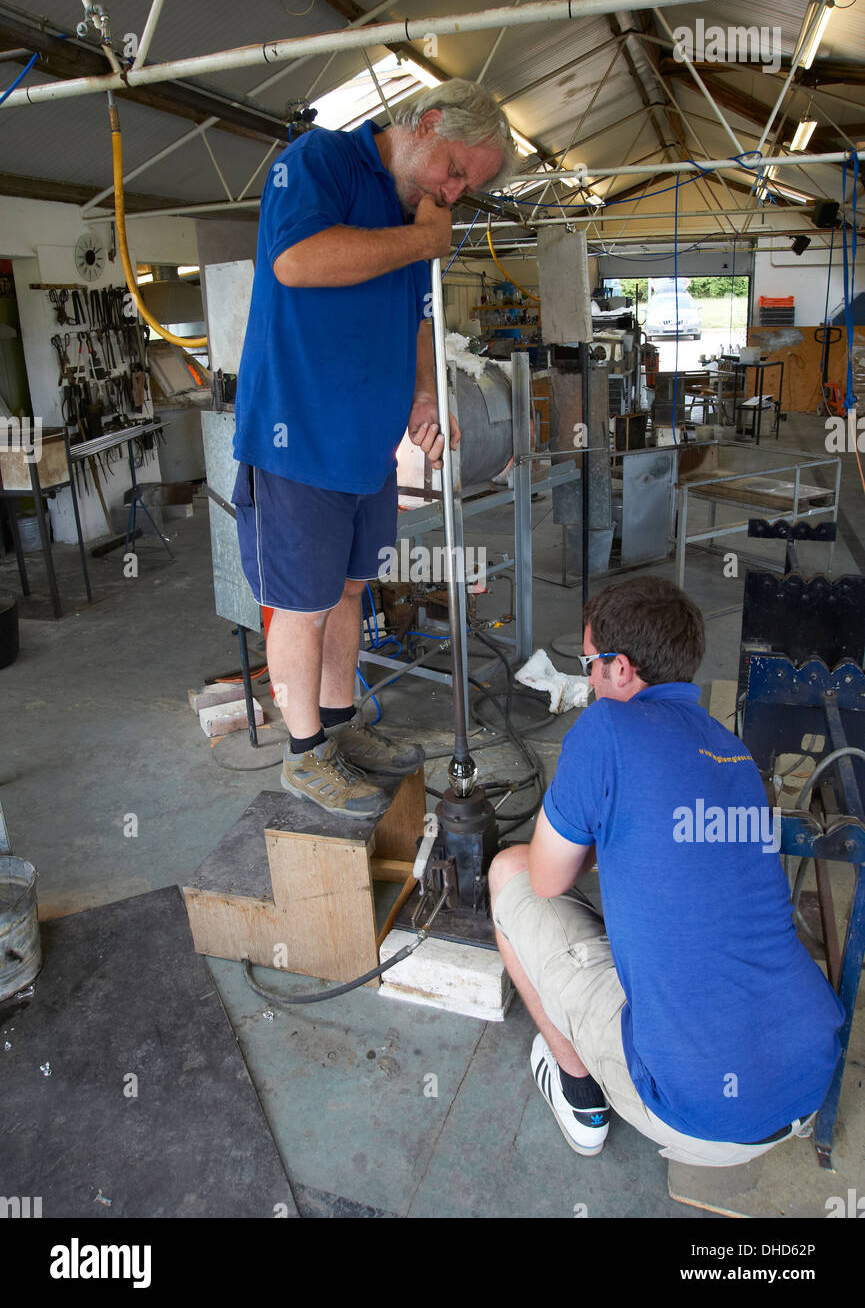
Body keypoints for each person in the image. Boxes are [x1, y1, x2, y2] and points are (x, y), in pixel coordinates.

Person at [488, 576, 845, 1165]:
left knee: (509, 873)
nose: (590, 680)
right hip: (805, 1082)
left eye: (590, 665)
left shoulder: (605, 728)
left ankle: (581, 1097)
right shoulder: (733, 754)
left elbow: (548, 880)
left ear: (620, 669)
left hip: (698, 1117)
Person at [231, 80, 515, 818]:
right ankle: (303, 757)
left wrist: (426, 393)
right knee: (301, 604)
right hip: (297, 436)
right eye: (454, 168)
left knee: (351, 591)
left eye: (466, 187)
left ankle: (338, 726)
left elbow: (420, 321)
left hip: (367, 445)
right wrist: (426, 237)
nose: (452, 191)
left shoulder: (412, 211)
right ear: (425, 124)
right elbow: (295, 261)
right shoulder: (319, 159)